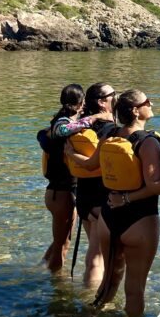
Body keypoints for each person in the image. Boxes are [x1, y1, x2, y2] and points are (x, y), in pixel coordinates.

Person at [66, 89, 160, 317]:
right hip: (139, 220)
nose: (151, 103)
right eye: (147, 101)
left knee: (109, 281)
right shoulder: (148, 142)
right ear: (136, 110)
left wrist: (71, 155)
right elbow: (154, 184)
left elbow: (91, 166)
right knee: (134, 290)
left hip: (108, 216)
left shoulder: (110, 134)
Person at [38, 83, 99, 274]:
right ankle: (56, 287)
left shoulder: (63, 120)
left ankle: (40, 269)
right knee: (62, 245)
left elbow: (45, 135)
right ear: (80, 103)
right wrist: (95, 117)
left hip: (59, 192)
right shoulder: (61, 123)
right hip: (61, 193)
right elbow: (61, 131)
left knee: (61, 240)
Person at [66, 83, 117, 288]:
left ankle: (89, 292)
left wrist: (70, 154)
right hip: (102, 196)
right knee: (99, 255)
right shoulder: (110, 130)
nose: (117, 96)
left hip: (85, 195)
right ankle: (92, 300)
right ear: (102, 102)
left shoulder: (81, 125)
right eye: (113, 94)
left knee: (94, 250)